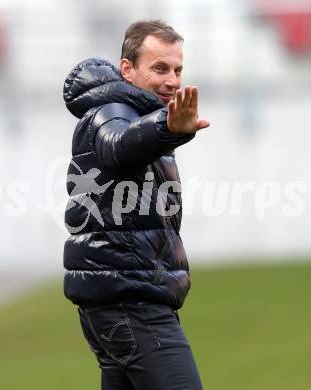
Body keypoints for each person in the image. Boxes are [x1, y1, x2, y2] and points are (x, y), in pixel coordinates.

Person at [63, 19, 209, 390]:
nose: (172, 80)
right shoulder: (111, 113)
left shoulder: (136, 115)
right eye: (159, 68)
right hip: (132, 306)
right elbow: (120, 145)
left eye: (177, 70)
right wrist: (167, 128)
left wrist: (164, 129)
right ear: (127, 69)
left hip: (120, 301)